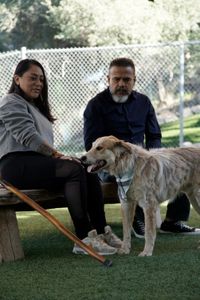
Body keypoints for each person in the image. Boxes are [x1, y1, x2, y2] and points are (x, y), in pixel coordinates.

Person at [0, 59, 123, 256]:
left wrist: (60, 157)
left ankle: (101, 231)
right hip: (15, 165)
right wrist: (58, 155)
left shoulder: (38, 108)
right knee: (74, 169)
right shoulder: (10, 101)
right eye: (32, 78)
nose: (39, 83)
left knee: (87, 168)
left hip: (38, 164)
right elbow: (28, 136)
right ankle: (83, 239)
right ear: (17, 78)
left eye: (41, 79)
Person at [83, 57, 200, 238]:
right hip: (111, 165)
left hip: (142, 159)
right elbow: (91, 143)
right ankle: (139, 218)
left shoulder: (143, 102)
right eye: (116, 79)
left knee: (178, 164)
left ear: (134, 80)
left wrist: (155, 158)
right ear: (108, 79)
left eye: (127, 79)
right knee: (135, 175)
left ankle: (173, 221)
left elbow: (154, 136)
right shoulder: (95, 106)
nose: (121, 83)